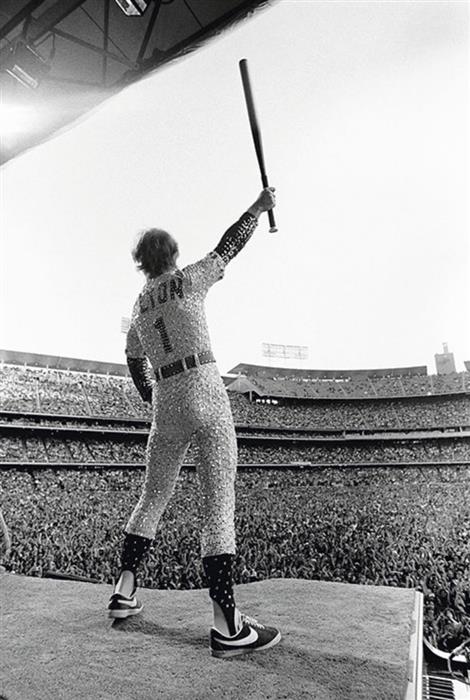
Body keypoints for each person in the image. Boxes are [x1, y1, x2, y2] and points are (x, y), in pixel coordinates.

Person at [107, 187, 281, 658]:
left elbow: (132, 360)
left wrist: (153, 400)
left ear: (141, 263)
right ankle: (228, 625)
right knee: (217, 505)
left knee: (152, 497)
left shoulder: (139, 309)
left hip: (166, 400)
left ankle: (124, 591)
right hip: (204, 388)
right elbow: (230, 246)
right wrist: (257, 207)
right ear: (173, 255)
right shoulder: (189, 280)